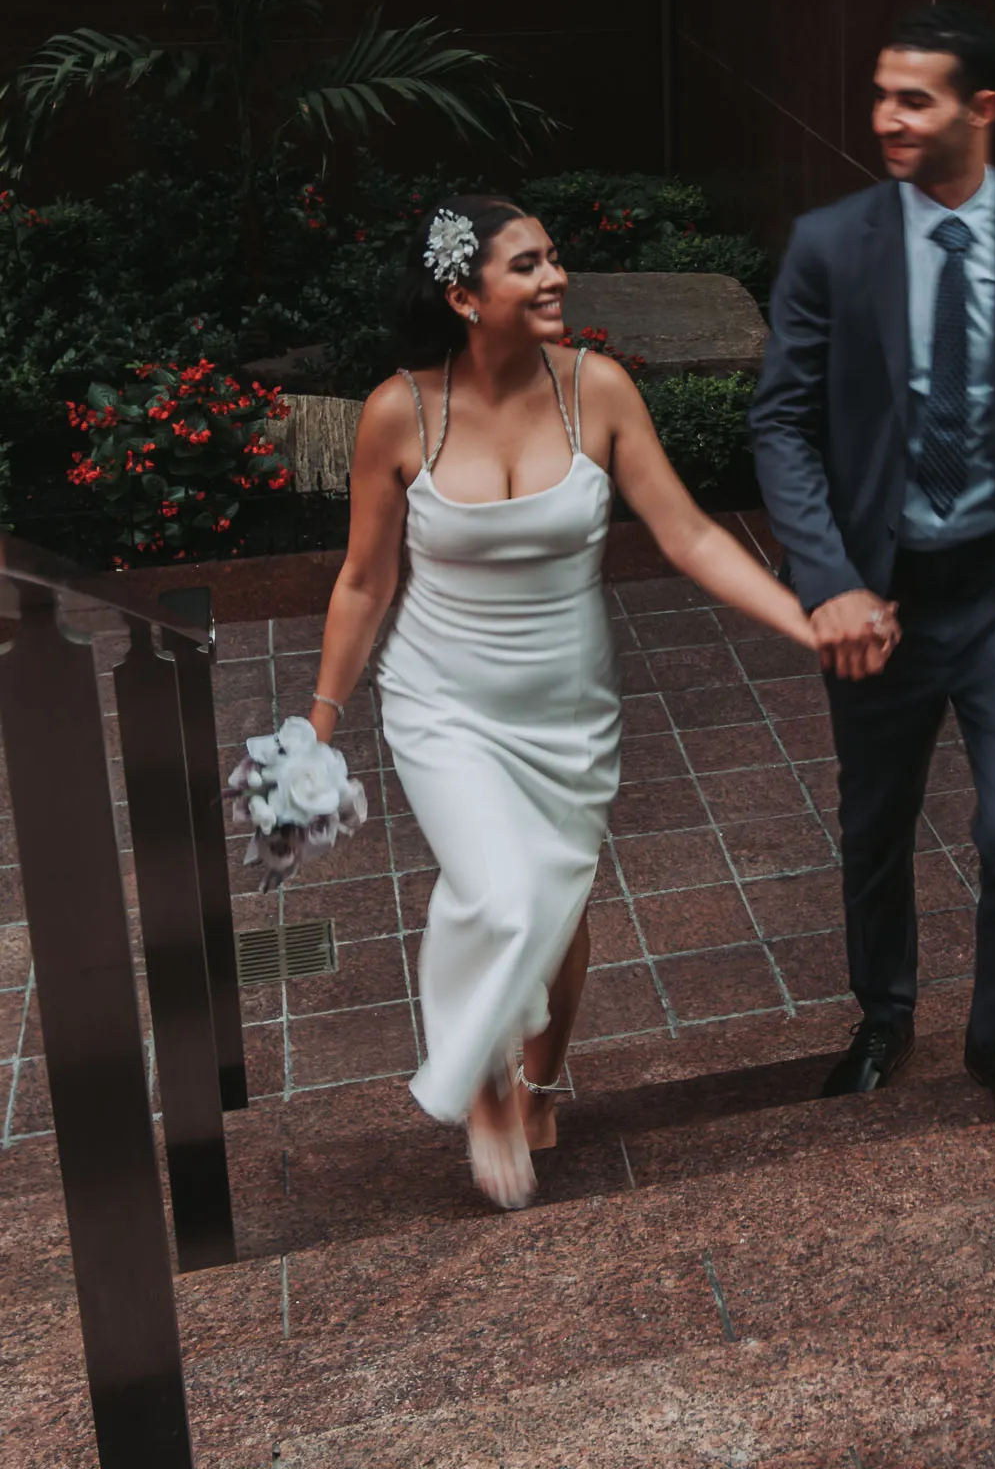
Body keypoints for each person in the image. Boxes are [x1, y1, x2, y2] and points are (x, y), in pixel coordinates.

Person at [307, 193, 821, 1210]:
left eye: (554, 259)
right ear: (463, 295)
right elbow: (366, 581)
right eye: (528, 266)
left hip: (568, 711)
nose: (556, 279)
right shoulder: (398, 411)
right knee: (499, 893)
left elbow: (693, 536)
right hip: (441, 699)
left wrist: (809, 626)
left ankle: (541, 1082)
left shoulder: (602, 391)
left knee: (560, 908)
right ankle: (484, 1082)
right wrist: (319, 722)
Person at [750, 4, 995, 1121]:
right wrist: (832, 582)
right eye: (879, 95)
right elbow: (782, 425)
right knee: (876, 823)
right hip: (881, 596)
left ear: (982, 110)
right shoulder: (832, 245)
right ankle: (883, 1012)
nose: (887, 119)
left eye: (913, 98)